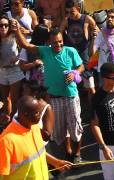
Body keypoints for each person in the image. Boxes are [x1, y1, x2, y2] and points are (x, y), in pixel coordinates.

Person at [12, 22, 84, 163]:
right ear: (49, 42)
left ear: (63, 39)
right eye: (55, 43)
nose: (58, 45)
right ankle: (68, 151)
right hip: (54, 97)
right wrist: (16, 31)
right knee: (60, 130)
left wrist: (75, 72)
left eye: (60, 41)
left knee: (75, 127)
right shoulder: (45, 51)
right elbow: (26, 46)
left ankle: (77, 154)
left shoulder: (71, 51)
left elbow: (81, 66)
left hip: (70, 96)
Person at [0, 95, 71, 180]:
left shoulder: (34, 127)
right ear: (25, 115)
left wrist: (55, 162)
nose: (40, 115)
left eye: (39, 111)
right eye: (36, 113)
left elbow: (36, 152)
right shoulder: (7, 141)